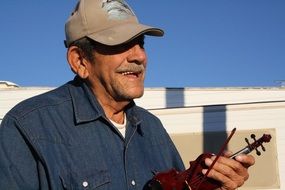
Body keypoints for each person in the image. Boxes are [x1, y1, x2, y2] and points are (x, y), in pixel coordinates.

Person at [0, 0, 255, 189]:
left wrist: (214, 185)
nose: (139, 56)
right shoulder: (28, 127)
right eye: (119, 44)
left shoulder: (153, 129)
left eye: (141, 43)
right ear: (80, 61)